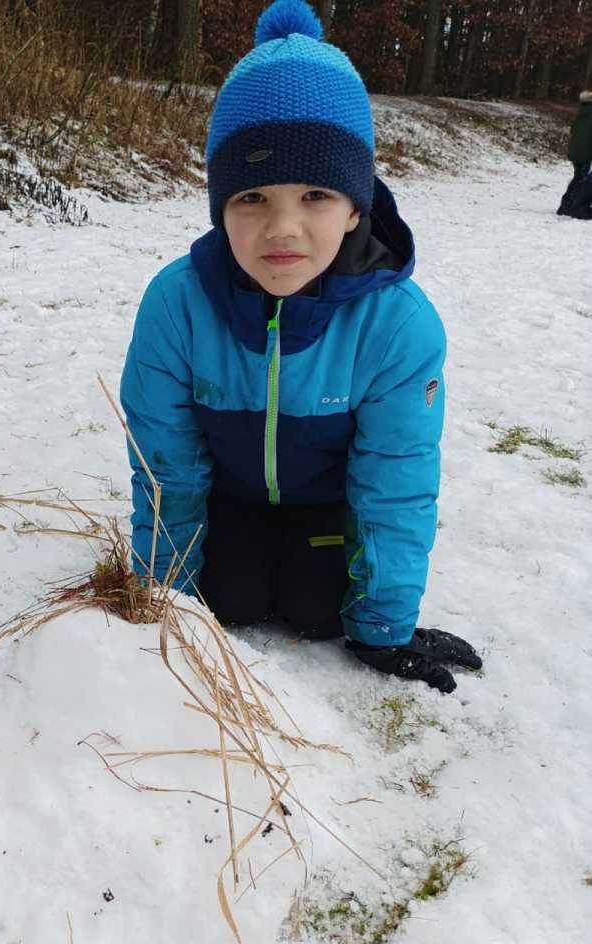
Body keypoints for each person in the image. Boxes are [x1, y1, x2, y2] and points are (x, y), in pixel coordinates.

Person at [120, 0, 482, 694]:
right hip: (230, 497)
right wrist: (161, 598)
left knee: (318, 613)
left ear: (355, 208)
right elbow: (165, 465)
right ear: (220, 208)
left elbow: (395, 478)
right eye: (251, 197)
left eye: (315, 194)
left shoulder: (396, 323)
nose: (282, 228)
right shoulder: (177, 304)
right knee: (233, 602)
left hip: (326, 504)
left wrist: (384, 624)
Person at [557, 90, 592, 218]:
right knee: (583, 179)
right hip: (586, 152)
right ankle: (576, 207)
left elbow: (574, 131)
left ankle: (566, 205)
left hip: (575, 151)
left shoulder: (581, 112)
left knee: (578, 177)